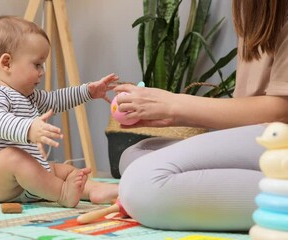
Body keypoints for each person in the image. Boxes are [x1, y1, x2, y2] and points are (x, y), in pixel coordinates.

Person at [114, 0, 288, 231]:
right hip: (267, 137)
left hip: (279, 137)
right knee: (135, 155)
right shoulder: (256, 10)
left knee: (141, 183)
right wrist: (171, 114)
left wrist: (174, 104)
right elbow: (253, 109)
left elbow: (280, 110)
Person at [0, 16, 119, 208]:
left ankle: (93, 190)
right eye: (37, 64)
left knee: (63, 170)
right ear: (6, 63)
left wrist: (87, 91)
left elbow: (56, 100)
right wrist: (29, 128)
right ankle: (62, 193)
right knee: (12, 157)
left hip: (26, 181)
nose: (42, 71)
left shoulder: (29, 95)